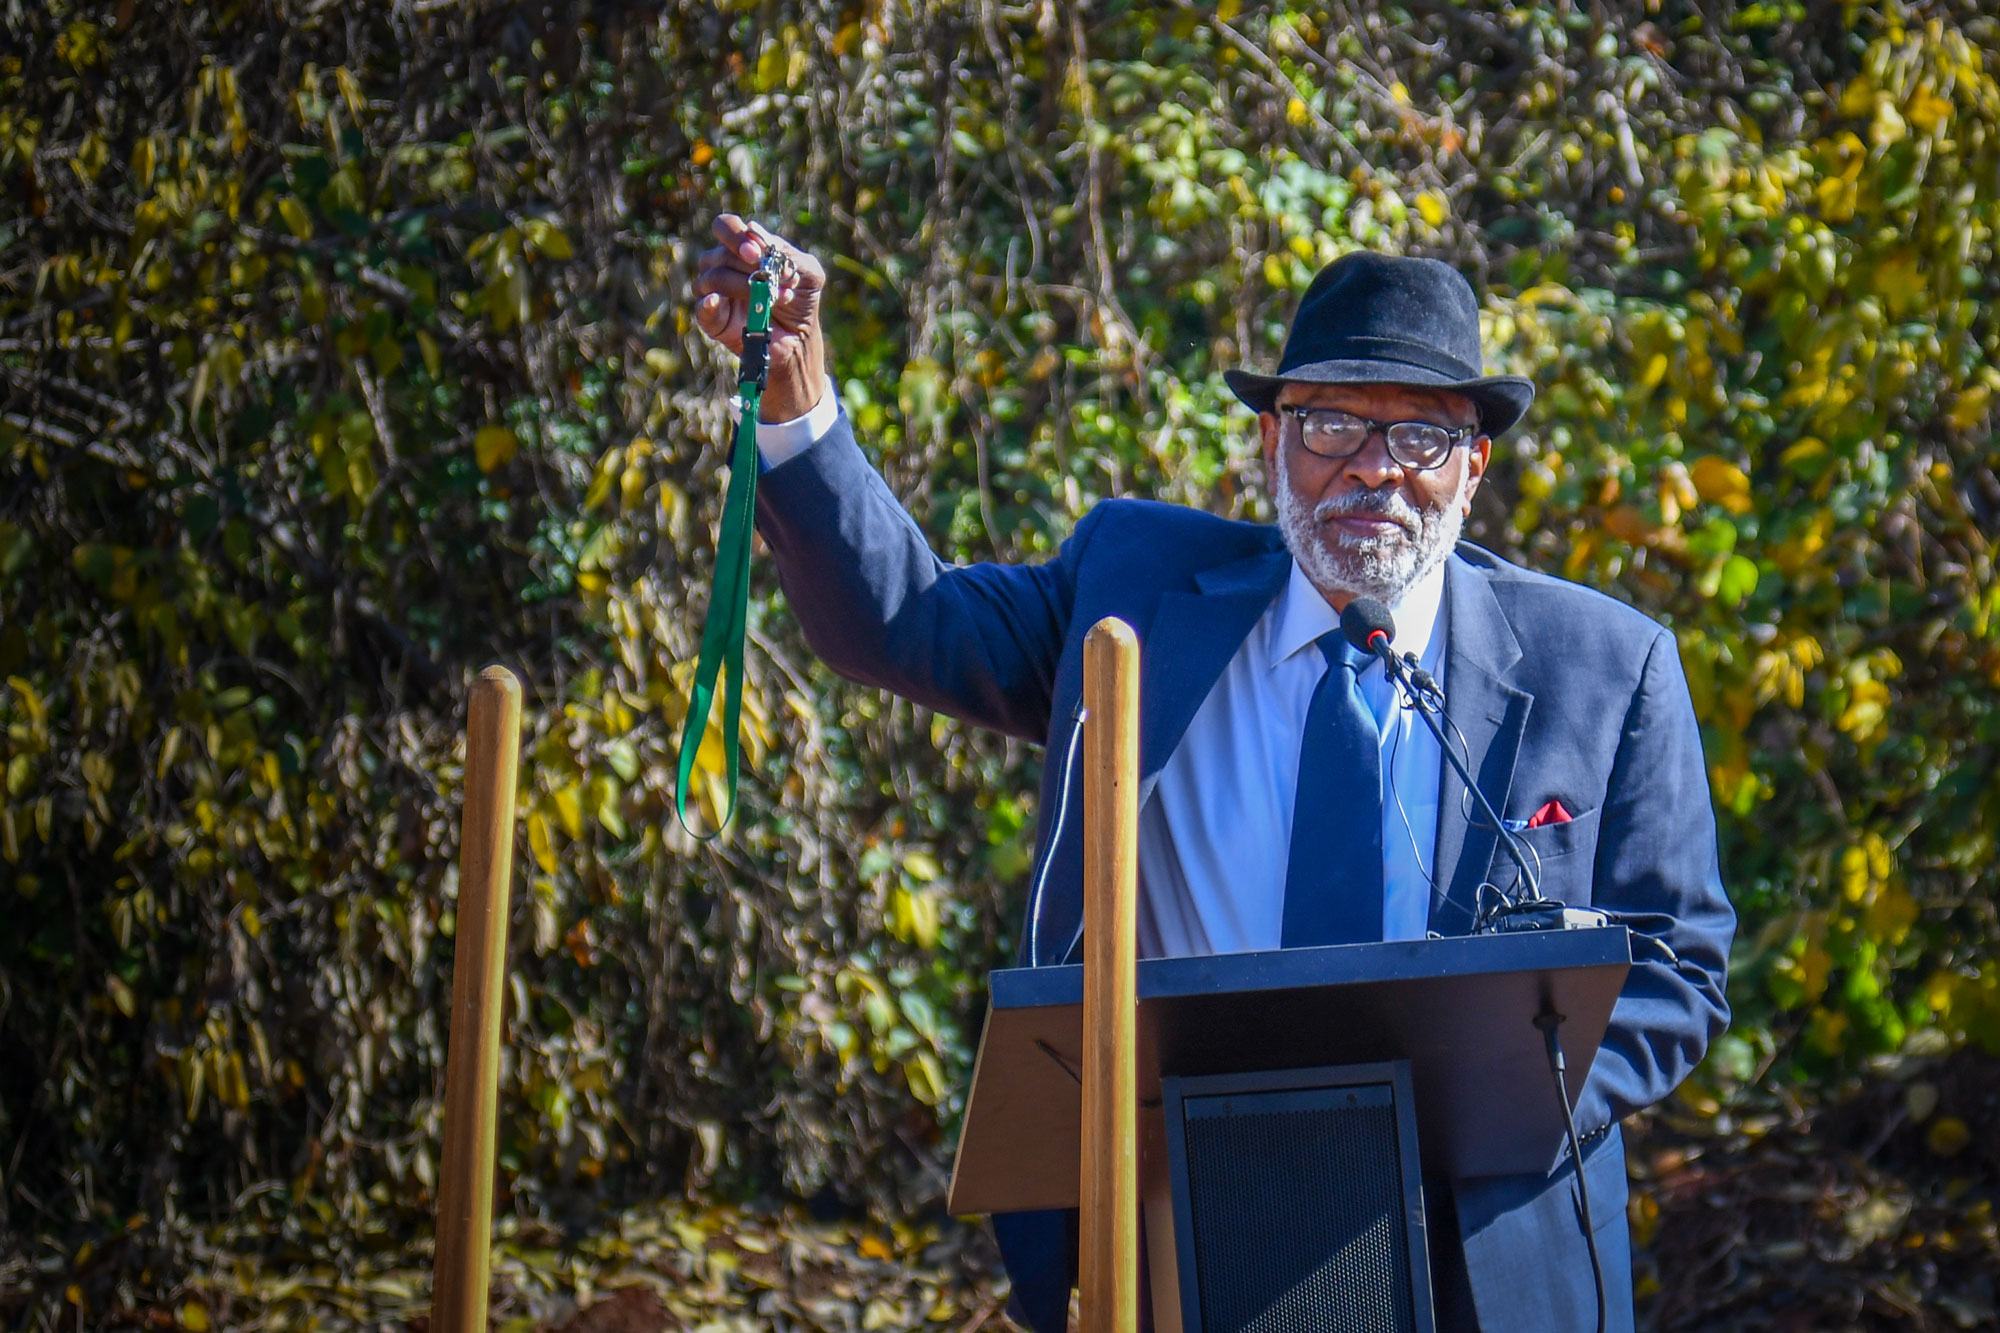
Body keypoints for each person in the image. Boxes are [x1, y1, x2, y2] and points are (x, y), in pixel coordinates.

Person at [692, 213, 1734, 1332]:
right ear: (1270, 444)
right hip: (1181, 1213)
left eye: (1420, 438)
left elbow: (1679, 965)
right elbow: (904, 624)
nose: (1372, 469)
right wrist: (795, 394)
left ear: (1472, 464)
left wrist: (1495, 1105)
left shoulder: (1604, 664)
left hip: (1481, 1244)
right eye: (1330, 421)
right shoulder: (1132, 596)